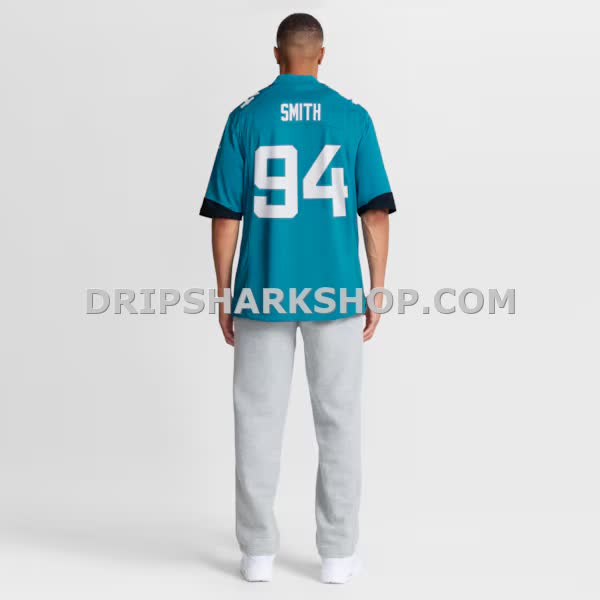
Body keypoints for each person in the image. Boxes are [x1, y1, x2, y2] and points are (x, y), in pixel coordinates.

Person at [200, 13, 395, 584]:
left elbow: (226, 218)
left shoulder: (246, 117)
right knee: (340, 419)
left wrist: (224, 294)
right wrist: (377, 288)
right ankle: (336, 555)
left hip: (263, 290)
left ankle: (257, 553)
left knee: (256, 419)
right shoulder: (352, 117)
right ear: (322, 55)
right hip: (336, 291)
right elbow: (375, 214)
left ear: (277, 54)